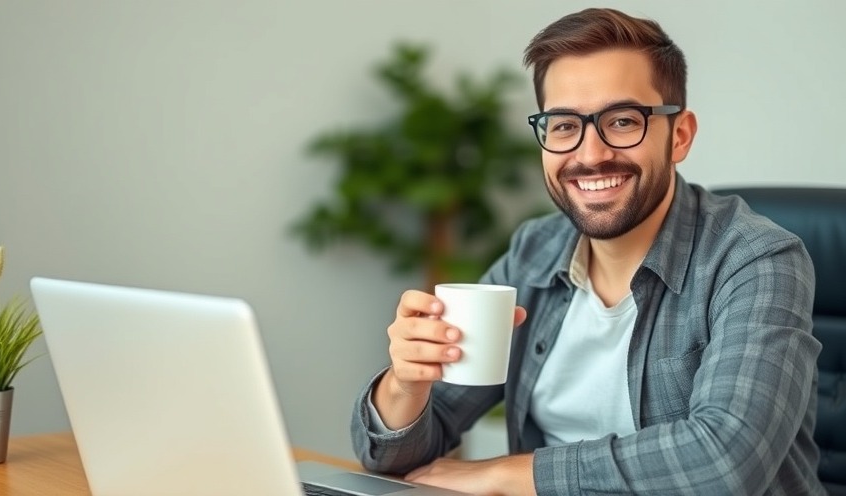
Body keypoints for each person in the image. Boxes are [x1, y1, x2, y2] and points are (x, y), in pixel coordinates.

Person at [350, 7, 823, 496]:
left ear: (678, 135)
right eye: (563, 125)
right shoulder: (533, 251)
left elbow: (726, 462)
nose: (590, 154)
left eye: (622, 121)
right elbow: (389, 454)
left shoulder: (756, 260)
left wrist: (506, 474)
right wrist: (407, 387)